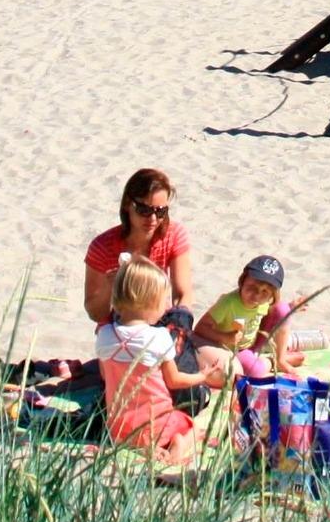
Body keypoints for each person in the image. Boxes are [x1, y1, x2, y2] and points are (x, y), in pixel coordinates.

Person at [95, 257, 210, 466]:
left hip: (118, 429)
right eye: (164, 300)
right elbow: (175, 380)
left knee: (135, 435)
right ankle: (179, 444)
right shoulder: (158, 337)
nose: (166, 307)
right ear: (149, 301)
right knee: (192, 427)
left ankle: (144, 447)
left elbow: (105, 375)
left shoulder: (104, 335)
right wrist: (202, 376)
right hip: (157, 424)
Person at [83, 168, 195, 326]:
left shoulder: (173, 235)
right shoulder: (102, 246)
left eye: (161, 211)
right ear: (127, 204)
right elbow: (96, 314)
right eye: (144, 210)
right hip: (119, 327)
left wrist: (179, 325)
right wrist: (111, 285)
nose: (153, 219)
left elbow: (183, 295)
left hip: (162, 322)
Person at [192, 254, 305, 383]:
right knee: (254, 372)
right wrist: (225, 337)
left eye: (265, 292)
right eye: (252, 287)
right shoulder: (228, 303)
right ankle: (270, 362)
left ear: (272, 295)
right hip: (232, 349)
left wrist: (291, 307)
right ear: (242, 281)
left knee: (283, 310)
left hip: (253, 343)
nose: (257, 295)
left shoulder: (263, 302)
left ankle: (281, 359)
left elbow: (276, 312)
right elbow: (200, 328)